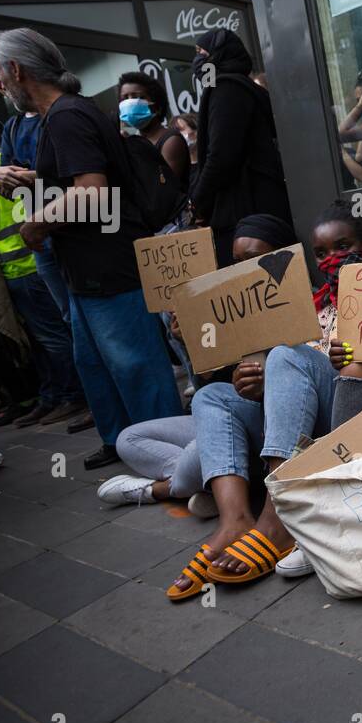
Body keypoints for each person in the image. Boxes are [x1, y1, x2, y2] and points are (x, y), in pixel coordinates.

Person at [0, 27, 181, 470]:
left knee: (133, 361)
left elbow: (94, 192)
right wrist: (33, 182)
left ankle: (169, 450)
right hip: (84, 267)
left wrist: (38, 222)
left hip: (106, 264)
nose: (1, 81)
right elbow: (84, 181)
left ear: (17, 70)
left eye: (2, 72)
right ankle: (123, 442)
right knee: (95, 362)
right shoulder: (65, 114)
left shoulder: (66, 116)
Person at [166, 205, 362, 599]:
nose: (332, 257)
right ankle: (235, 519)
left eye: (343, 246)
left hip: (351, 419)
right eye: (322, 251)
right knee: (213, 395)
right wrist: (195, 344)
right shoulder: (300, 305)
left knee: (286, 355)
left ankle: (278, 515)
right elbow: (242, 383)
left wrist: (357, 361)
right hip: (292, 430)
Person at [94, 214, 296, 513]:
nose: (243, 268)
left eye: (254, 258)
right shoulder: (232, 304)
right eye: (236, 260)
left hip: (268, 430)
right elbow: (209, 390)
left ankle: (161, 489)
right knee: (129, 438)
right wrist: (191, 343)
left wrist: (269, 383)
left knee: (204, 449)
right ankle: (216, 483)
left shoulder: (302, 305)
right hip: (228, 418)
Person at [0, 110, 86, 427]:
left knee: (48, 338)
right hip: (37, 255)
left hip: (20, 265)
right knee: (49, 334)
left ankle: (73, 396)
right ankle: (54, 396)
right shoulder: (9, 159)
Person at [189, 28, 291, 266]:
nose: (197, 60)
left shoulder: (227, 89)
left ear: (219, 55)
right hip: (258, 206)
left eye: (202, 52)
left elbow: (222, 156)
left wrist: (199, 201)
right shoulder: (242, 88)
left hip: (245, 214)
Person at [117, 71, 190, 193]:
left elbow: (163, 189)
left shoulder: (171, 140)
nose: (130, 103)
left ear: (157, 106)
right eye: (125, 98)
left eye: (137, 97)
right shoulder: (133, 141)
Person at [171, 113, 200, 191]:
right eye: (181, 129)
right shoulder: (180, 170)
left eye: (192, 126)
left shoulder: (212, 159)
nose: (189, 131)